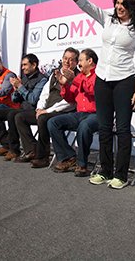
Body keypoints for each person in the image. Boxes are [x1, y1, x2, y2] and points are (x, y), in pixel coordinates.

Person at [57, 0, 135, 190]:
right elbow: (84, 3)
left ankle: (121, 174)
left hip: (125, 81)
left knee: (123, 129)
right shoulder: (108, 19)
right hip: (103, 81)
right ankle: (106, 171)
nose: (119, 7)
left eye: (123, 4)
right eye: (117, 3)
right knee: (105, 128)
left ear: (132, 6)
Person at [13, 47, 80, 166]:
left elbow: (69, 103)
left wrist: (47, 111)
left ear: (76, 62)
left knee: (43, 119)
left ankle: (43, 157)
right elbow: (45, 93)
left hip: (63, 111)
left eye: (71, 60)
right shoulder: (55, 73)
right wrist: (39, 108)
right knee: (20, 117)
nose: (67, 62)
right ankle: (31, 150)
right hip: (46, 109)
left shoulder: (77, 77)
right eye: (65, 58)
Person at [48, 48, 99, 176]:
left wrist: (73, 79)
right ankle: (68, 157)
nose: (79, 63)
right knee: (53, 122)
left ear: (90, 61)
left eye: (80, 60)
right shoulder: (80, 76)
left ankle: (82, 165)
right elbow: (70, 98)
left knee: (84, 126)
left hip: (97, 115)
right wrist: (64, 85)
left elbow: (92, 90)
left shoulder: (99, 74)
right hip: (80, 113)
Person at [0, 53, 47, 157]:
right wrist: (15, 90)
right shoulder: (24, 78)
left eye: (25, 65)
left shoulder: (42, 79)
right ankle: (6, 145)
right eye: (22, 65)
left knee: (12, 114)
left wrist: (20, 86)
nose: (22, 68)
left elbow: (33, 100)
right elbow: (15, 100)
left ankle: (14, 150)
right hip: (21, 108)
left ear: (34, 65)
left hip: (34, 110)